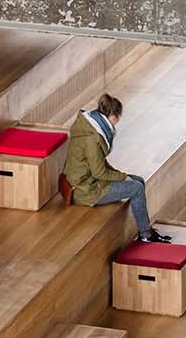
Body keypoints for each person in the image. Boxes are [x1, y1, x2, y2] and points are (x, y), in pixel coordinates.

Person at [58, 94, 168, 243]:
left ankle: (145, 228)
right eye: (118, 117)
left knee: (139, 180)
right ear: (113, 116)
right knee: (136, 188)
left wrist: (120, 175)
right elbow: (99, 172)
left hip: (88, 181)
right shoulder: (92, 139)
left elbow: (100, 163)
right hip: (85, 191)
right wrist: (122, 177)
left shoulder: (91, 128)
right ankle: (145, 234)